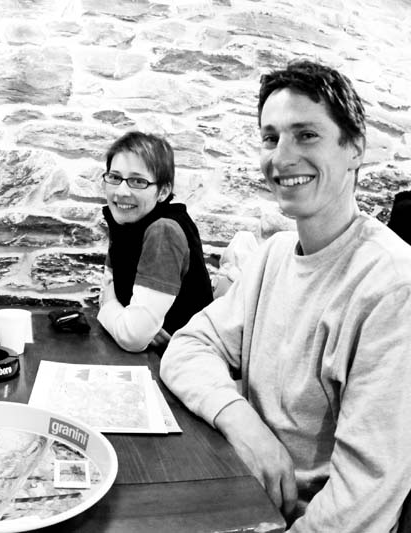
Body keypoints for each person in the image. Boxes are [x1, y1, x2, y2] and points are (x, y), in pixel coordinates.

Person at [160, 60, 411, 532]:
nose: (282, 157)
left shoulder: (394, 285)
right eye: (271, 138)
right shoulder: (273, 254)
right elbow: (188, 346)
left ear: (355, 148)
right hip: (242, 491)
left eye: (306, 135)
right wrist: (242, 421)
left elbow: (363, 501)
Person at [98, 131, 213, 352]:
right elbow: (106, 292)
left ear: (163, 191)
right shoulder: (125, 222)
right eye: (114, 177)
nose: (121, 191)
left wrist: (110, 307)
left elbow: (132, 336)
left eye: (137, 181)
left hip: (184, 359)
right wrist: (120, 314)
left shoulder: (164, 231)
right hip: (150, 357)